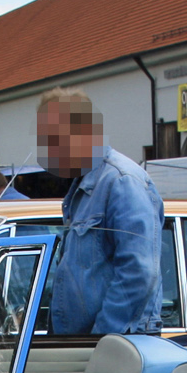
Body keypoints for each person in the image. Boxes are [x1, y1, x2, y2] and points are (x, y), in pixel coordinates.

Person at [35, 89, 164, 335]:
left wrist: (101, 338)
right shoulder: (83, 184)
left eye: (52, 138)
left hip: (116, 347)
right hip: (85, 343)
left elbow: (138, 272)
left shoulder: (121, 181)